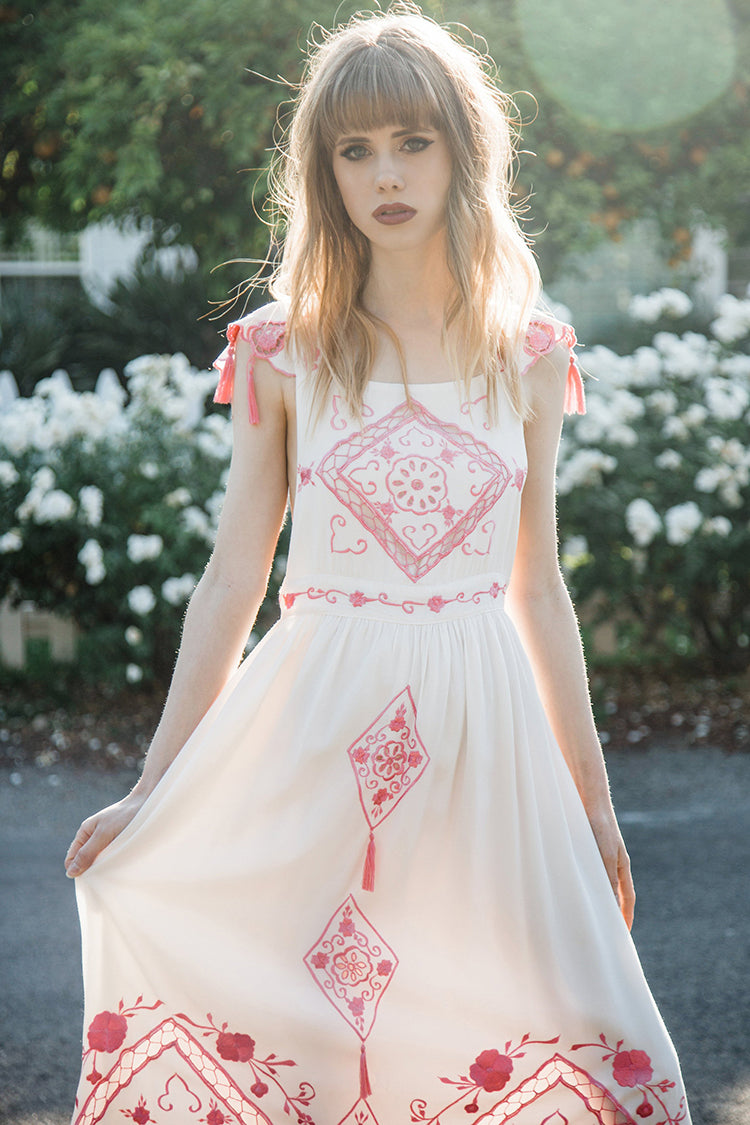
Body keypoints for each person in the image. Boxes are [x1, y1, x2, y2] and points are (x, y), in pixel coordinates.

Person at [65, 7, 691, 1124]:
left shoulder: (534, 356)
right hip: (311, 726)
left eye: (412, 142)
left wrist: (595, 809)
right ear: (325, 173)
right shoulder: (282, 351)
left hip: (481, 733)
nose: (385, 174)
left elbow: (538, 586)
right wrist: (155, 785)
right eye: (354, 150)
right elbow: (232, 576)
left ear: (464, 151)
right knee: (312, 1031)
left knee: (546, 1024)